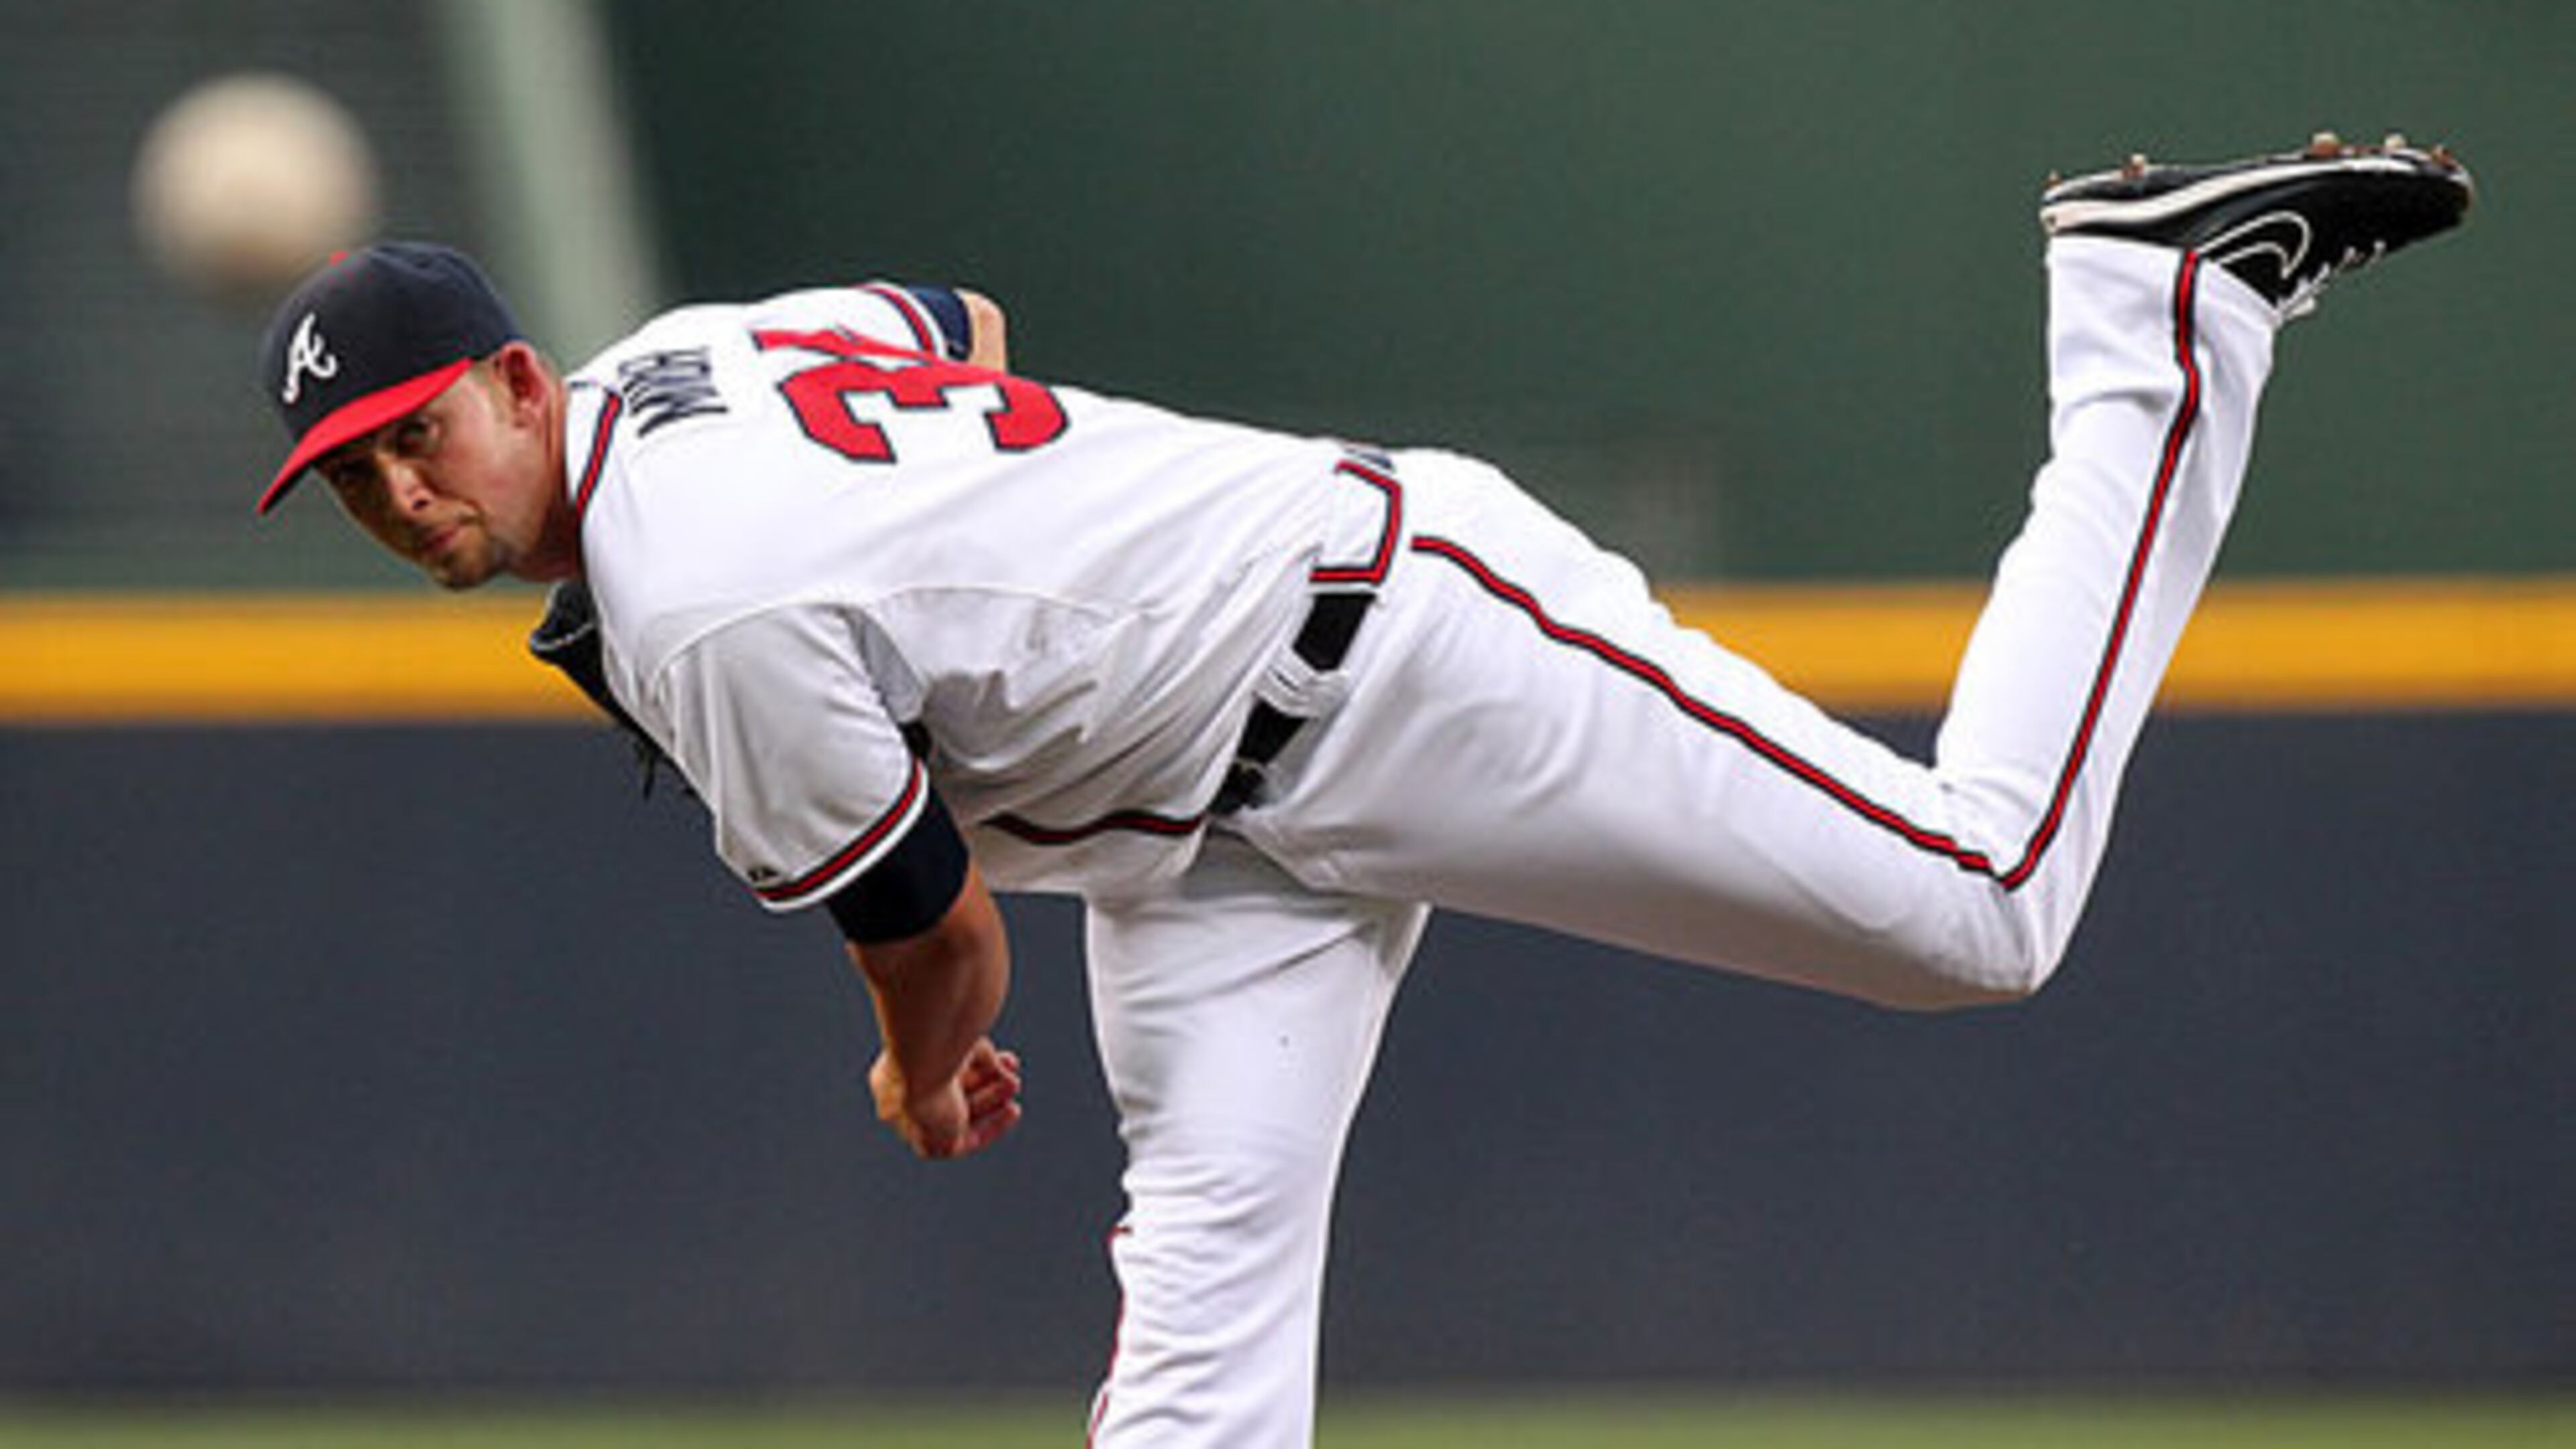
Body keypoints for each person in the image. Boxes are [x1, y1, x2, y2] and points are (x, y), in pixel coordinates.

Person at [252, 133, 2470, 1447]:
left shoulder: (700, 604)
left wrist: (920, 1078)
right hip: (1199, 839)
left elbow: (936, 935)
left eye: (418, 435)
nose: (403, 495)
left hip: (1402, 646)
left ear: (516, 381)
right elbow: (960, 323)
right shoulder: (690, 355)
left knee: (1982, 901)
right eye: (355, 480)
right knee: (1200, 1369)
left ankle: (2152, 322)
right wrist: (1019, 556)